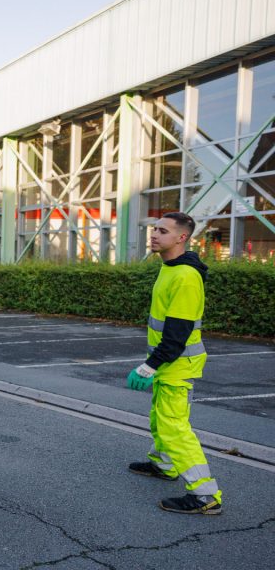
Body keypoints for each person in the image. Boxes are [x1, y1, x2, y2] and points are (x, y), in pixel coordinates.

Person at [126, 212, 222, 515]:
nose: (155, 235)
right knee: (160, 417)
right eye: (154, 229)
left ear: (182, 237)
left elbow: (178, 332)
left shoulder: (184, 276)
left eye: (163, 231)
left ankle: (205, 495)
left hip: (177, 363)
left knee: (175, 427)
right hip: (170, 362)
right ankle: (164, 465)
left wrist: (150, 365)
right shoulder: (170, 268)